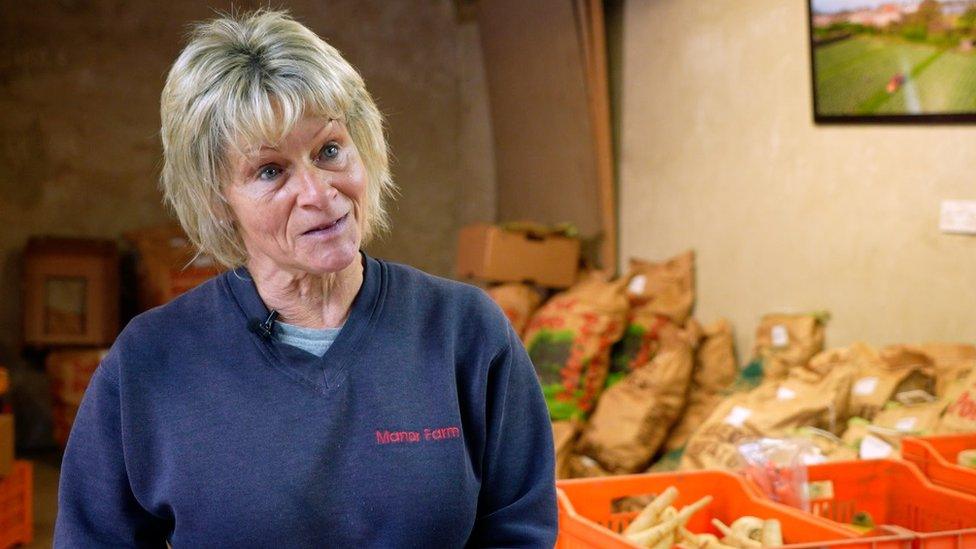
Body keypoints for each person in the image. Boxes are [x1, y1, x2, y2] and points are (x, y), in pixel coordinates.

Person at [54, 9, 557, 548]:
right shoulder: (150, 362)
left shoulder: (467, 333)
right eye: (270, 171)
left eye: (330, 150)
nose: (319, 194)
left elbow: (518, 529)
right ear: (217, 199)